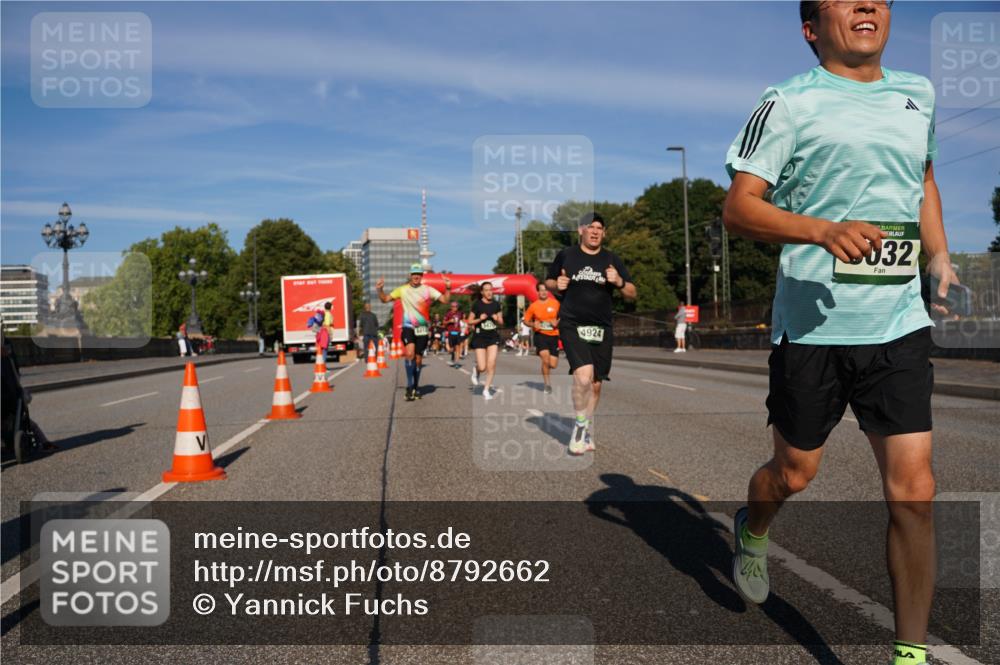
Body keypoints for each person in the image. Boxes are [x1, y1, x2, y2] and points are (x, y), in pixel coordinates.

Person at [722, 4, 958, 664]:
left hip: (897, 325)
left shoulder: (919, 93)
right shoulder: (788, 102)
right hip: (814, 329)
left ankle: (909, 654)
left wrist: (938, 254)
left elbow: (925, 181)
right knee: (794, 472)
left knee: (916, 492)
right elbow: (739, 205)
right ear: (810, 28)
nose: (866, 6)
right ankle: (755, 526)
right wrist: (823, 229)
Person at [545, 212, 636, 455]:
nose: (595, 231)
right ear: (580, 231)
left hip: (602, 327)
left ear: (604, 233)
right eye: (590, 227)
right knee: (583, 377)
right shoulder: (567, 255)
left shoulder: (611, 259)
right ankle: (579, 428)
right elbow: (549, 282)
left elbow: (632, 292)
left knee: (595, 385)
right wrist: (557, 285)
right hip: (572, 323)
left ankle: (584, 428)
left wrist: (618, 282)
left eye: (599, 228)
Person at [377, 265, 451, 401]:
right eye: (414, 274)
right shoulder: (402, 289)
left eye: (418, 274)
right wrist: (379, 289)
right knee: (409, 354)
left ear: (421, 276)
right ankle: (410, 386)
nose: (416, 276)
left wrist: (448, 288)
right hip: (408, 327)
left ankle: (415, 386)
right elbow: (385, 299)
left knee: (418, 359)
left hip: (422, 329)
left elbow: (445, 300)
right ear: (410, 276)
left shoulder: (428, 290)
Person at [467, 282, 503, 400]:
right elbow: (469, 321)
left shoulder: (496, 304)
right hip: (480, 337)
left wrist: (497, 319)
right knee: (482, 367)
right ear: (482, 292)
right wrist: (479, 319)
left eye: (490, 290)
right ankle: (476, 370)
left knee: (491, 364)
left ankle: (486, 390)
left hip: (493, 337)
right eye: (486, 290)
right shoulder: (477, 305)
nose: (489, 292)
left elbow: (501, 321)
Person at [523, 282, 561, 393]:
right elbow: (526, 320)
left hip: (554, 336)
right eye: (541, 290)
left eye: (545, 290)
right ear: (538, 292)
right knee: (545, 359)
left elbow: (563, 316)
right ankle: (547, 384)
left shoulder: (555, 303)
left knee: (552, 365)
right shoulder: (533, 306)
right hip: (541, 336)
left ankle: (546, 370)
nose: (544, 292)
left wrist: (557, 322)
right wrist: (532, 324)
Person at [442, 301, 464, 368]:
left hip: (458, 332)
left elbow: (463, 320)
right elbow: (443, 323)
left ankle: (457, 362)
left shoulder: (460, 313)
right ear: (451, 307)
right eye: (454, 306)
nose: (456, 308)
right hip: (451, 333)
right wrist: (449, 321)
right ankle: (452, 355)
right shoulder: (448, 314)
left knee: (457, 347)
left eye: (457, 306)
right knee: (451, 348)